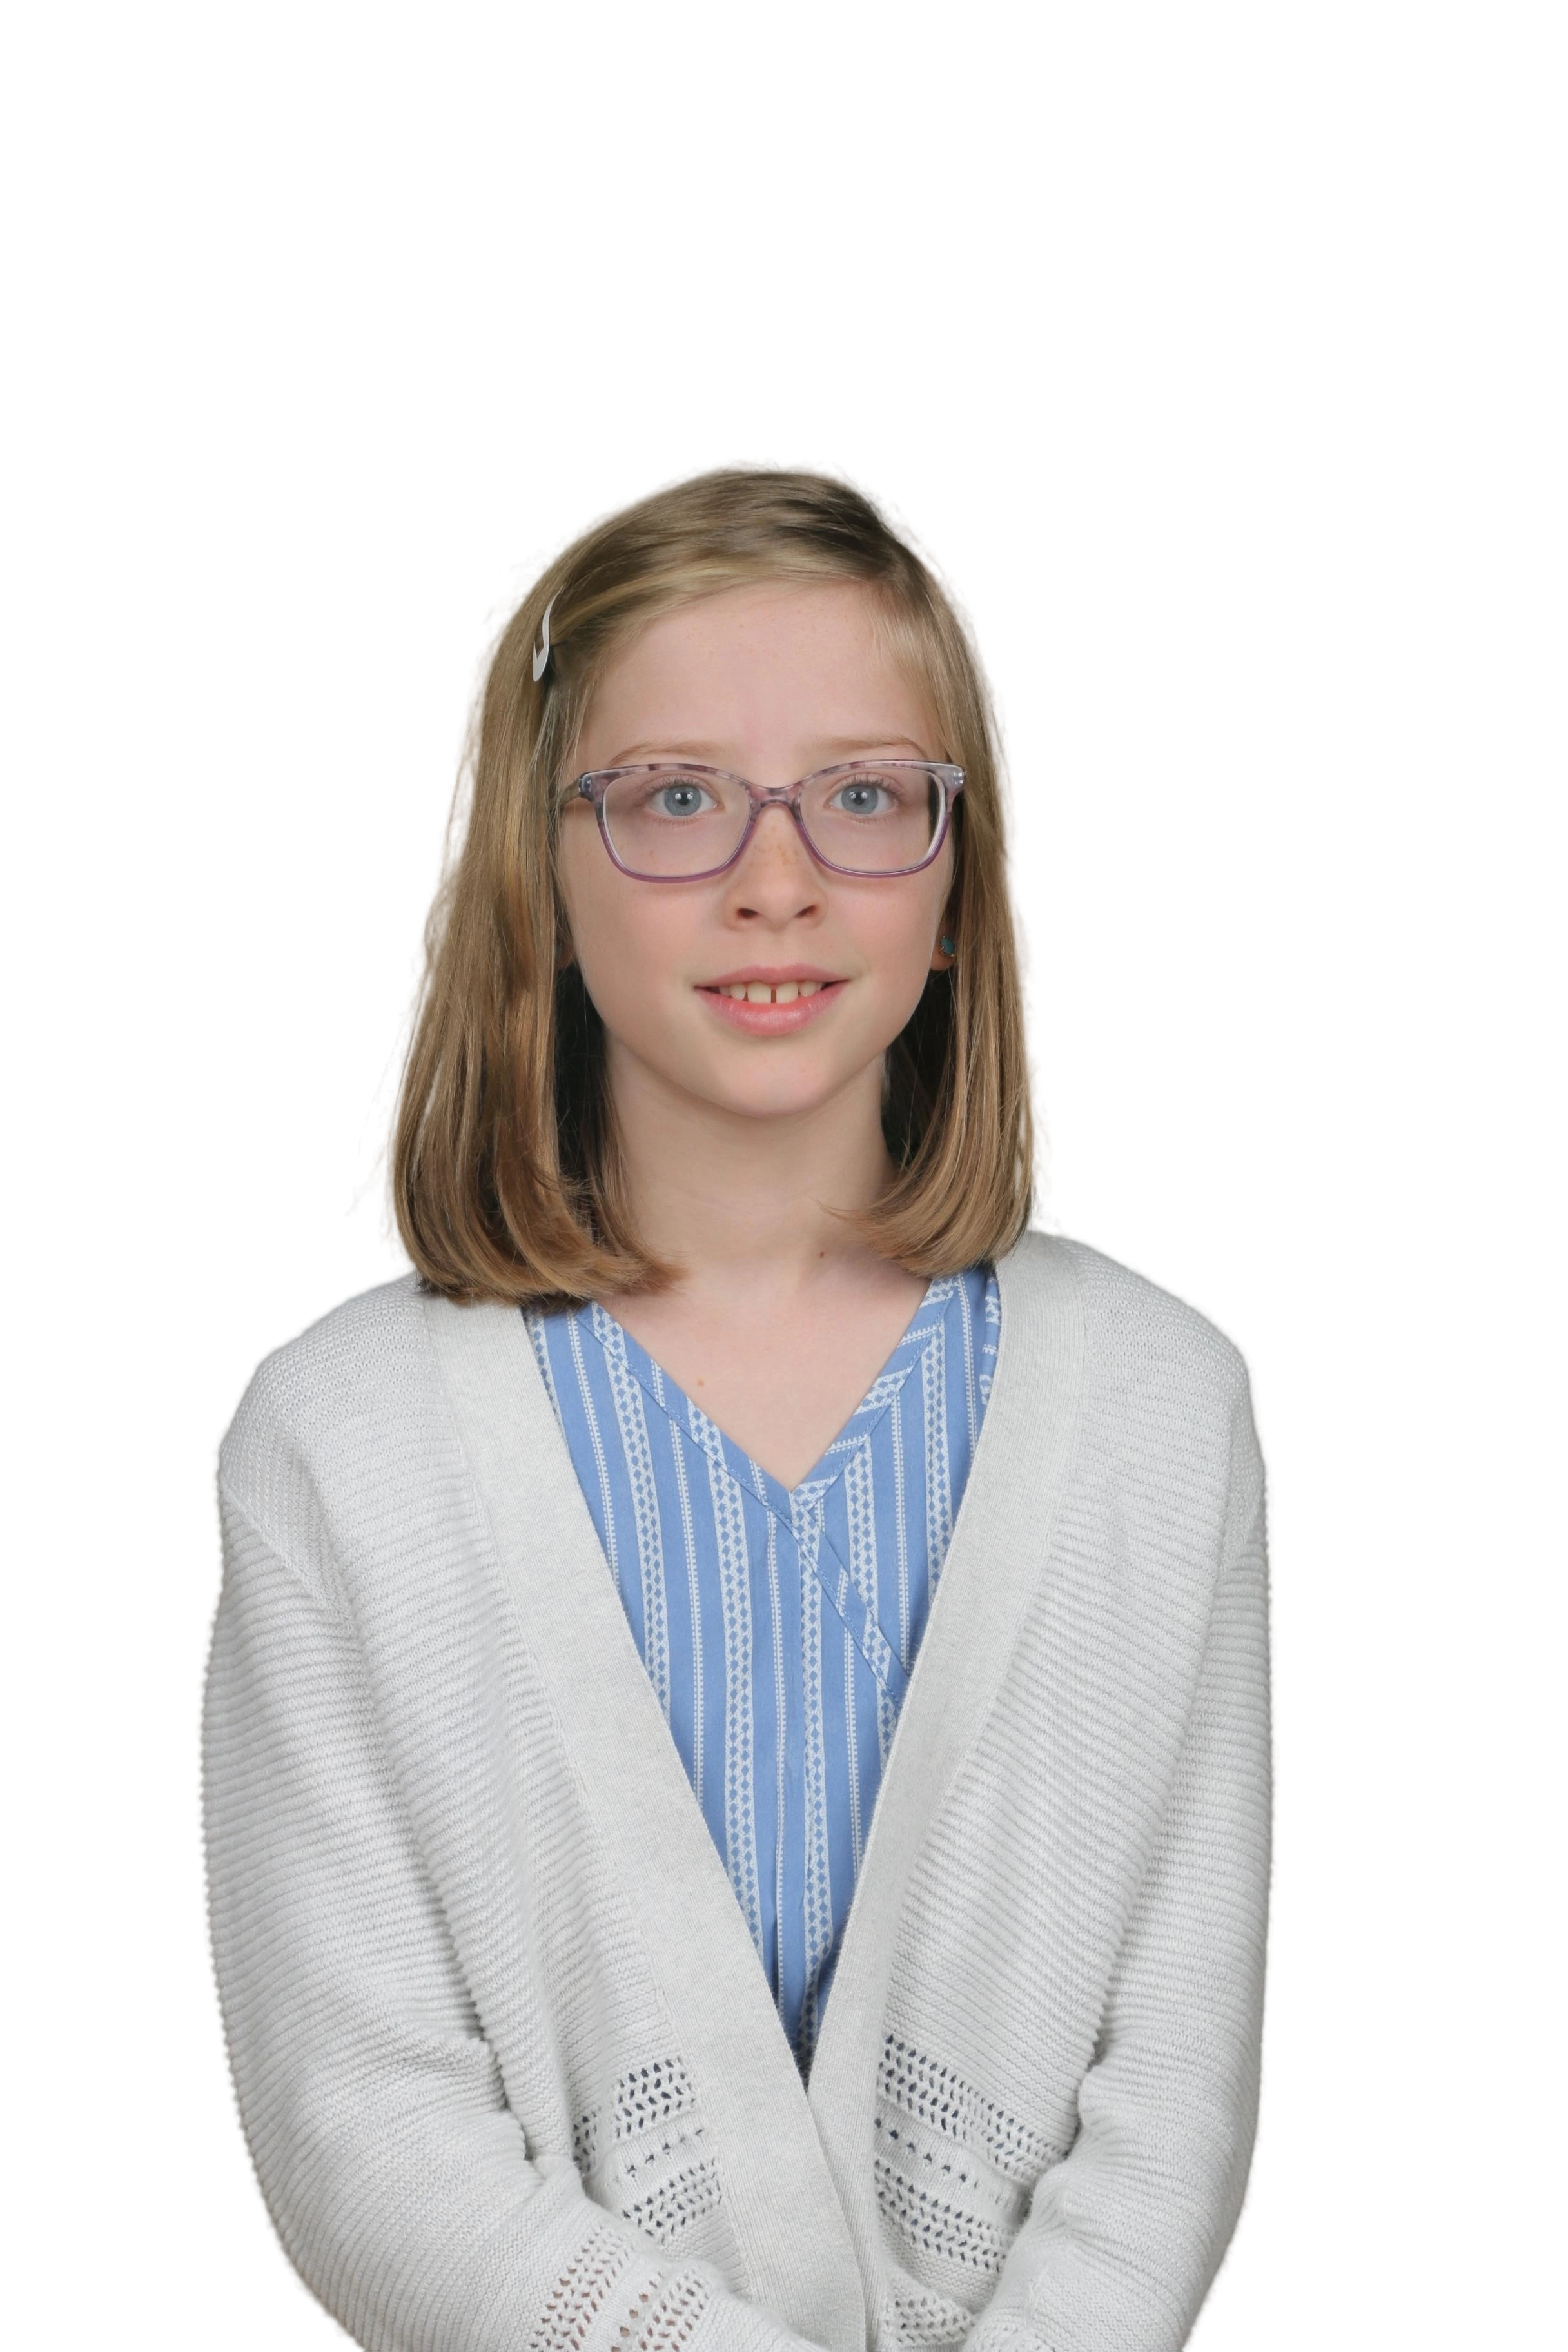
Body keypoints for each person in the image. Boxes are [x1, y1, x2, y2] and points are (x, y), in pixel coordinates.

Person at [195, 455, 1279, 2352]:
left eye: (864, 797)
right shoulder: (342, 1450)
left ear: (960, 871)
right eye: (676, 799)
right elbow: (360, 2126)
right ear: (539, 866)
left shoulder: (1158, 1413)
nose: (778, 884)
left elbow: (1173, 2091)